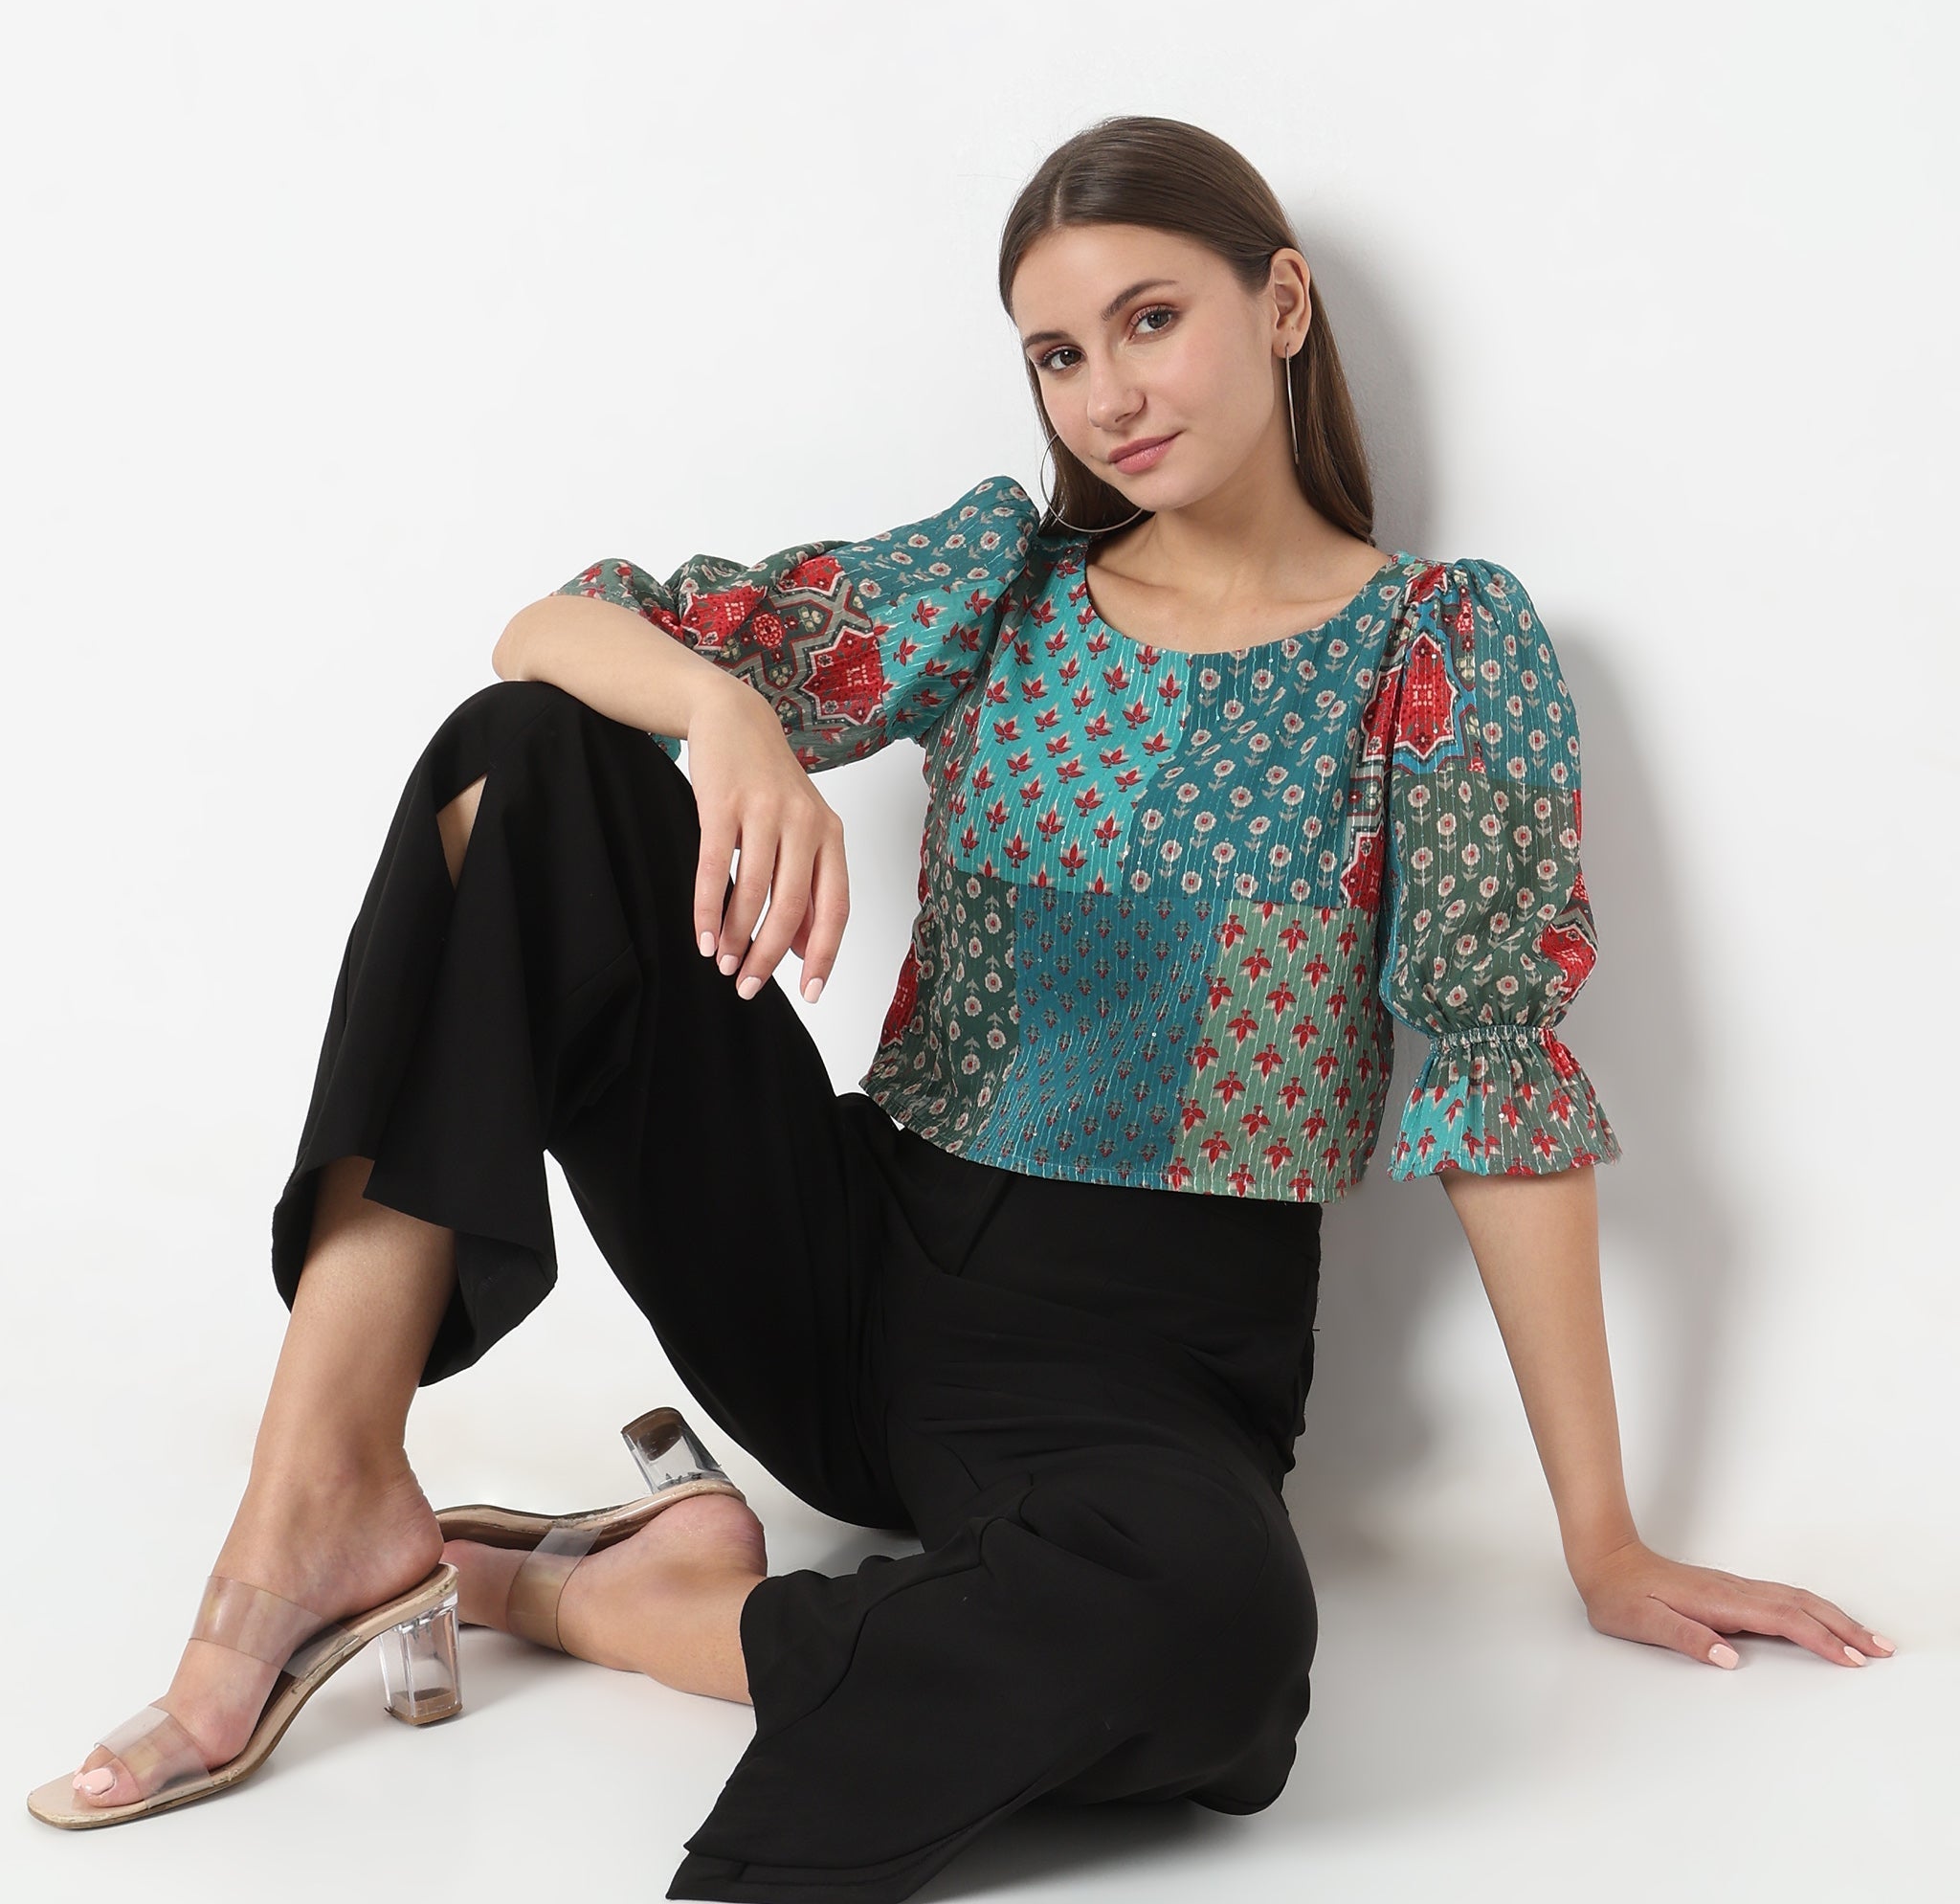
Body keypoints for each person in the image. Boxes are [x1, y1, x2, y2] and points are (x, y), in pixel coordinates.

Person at [27, 114, 1894, 1901]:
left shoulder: (1438, 649)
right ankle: (318, 1498)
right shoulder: (1003, 583)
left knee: (1223, 1642)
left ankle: (618, 1593)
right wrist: (726, 713)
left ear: (1281, 302)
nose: (1108, 393)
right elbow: (546, 633)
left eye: (1149, 319)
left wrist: (1601, 1538)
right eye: (1058, 355)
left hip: (1141, 1377)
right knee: (523, 759)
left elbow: (1494, 1082)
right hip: (844, 1260)